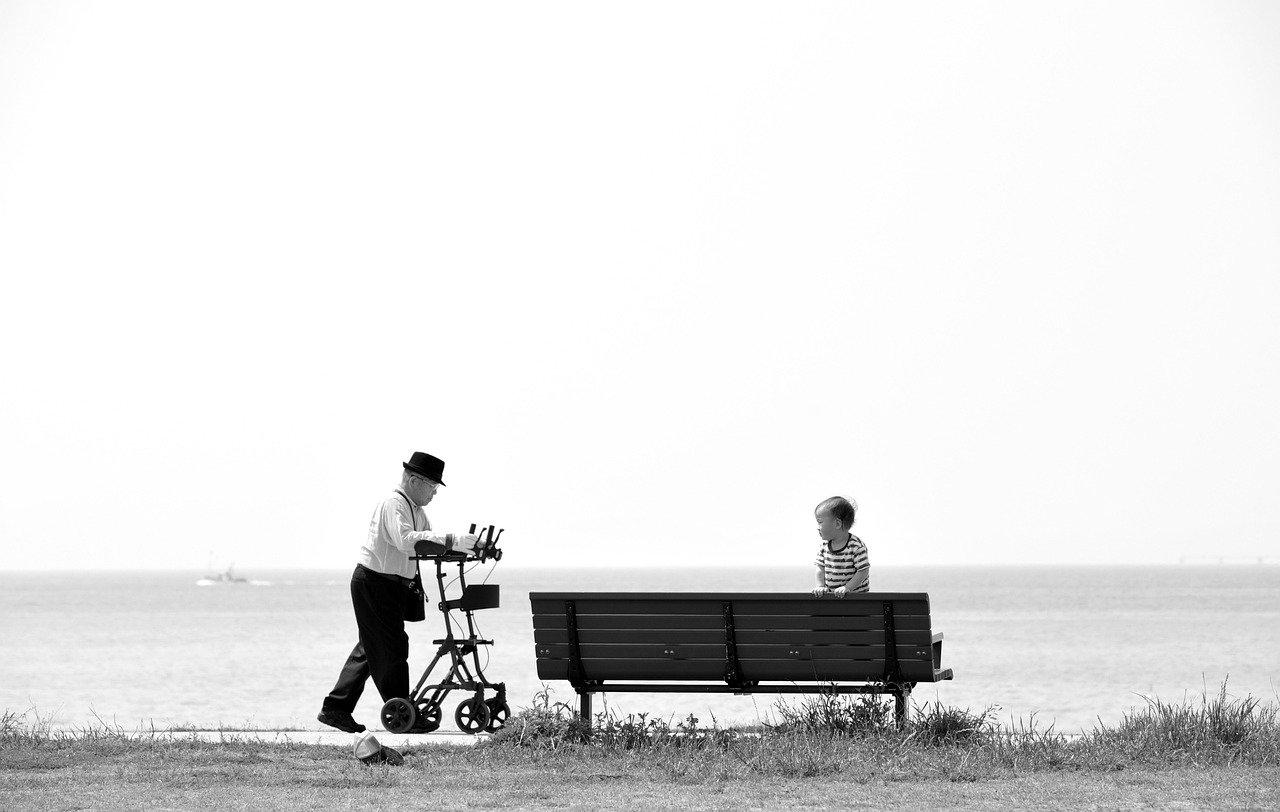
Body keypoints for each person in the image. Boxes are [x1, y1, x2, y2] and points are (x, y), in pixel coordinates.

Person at [318, 451, 480, 734]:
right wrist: (452, 539)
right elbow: (406, 542)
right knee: (392, 647)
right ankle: (401, 711)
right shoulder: (394, 504)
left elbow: (428, 545)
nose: (433, 493)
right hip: (375, 583)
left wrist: (466, 548)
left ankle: (336, 708)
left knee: (371, 647)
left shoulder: (418, 512)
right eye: (432, 487)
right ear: (415, 481)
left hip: (388, 586)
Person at [811, 495, 870, 597]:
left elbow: (863, 571)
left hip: (857, 601)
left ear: (837, 524)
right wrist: (820, 586)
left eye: (820, 522)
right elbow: (820, 567)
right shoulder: (824, 547)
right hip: (834, 600)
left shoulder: (856, 546)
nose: (817, 527)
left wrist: (847, 587)